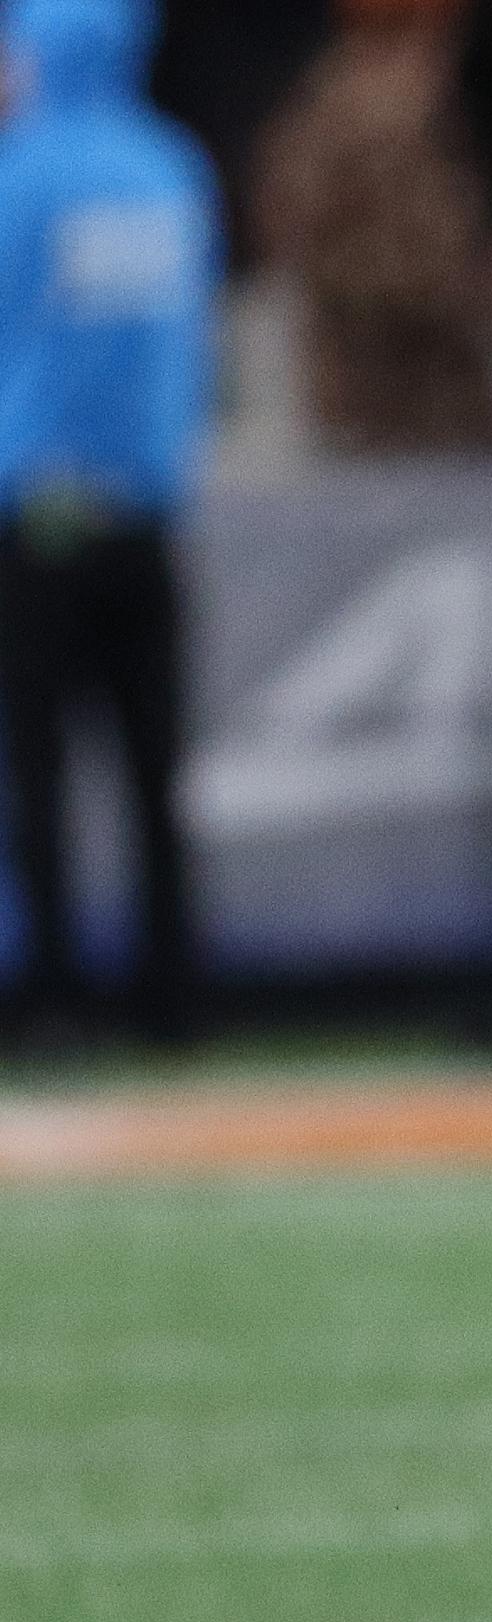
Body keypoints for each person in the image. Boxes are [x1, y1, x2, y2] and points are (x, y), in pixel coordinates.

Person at [0, 0, 217, 1046]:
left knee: (38, 771)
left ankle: (51, 995)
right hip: (146, 514)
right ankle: (171, 1002)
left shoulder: (22, 173)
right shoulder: (174, 167)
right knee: (154, 774)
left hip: (39, 516)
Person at [251, 0, 492, 458]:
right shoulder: (394, 107)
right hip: (412, 418)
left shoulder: (328, 91)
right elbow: (401, 271)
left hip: (361, 409)